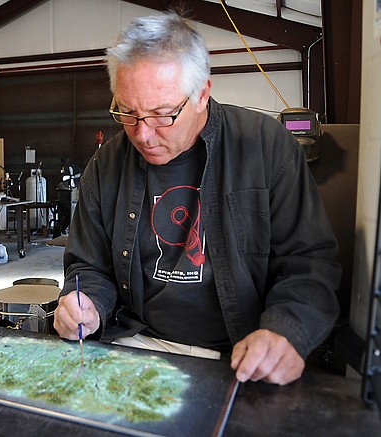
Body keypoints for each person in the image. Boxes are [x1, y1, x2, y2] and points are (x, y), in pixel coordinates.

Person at [53, 11, 341, 386]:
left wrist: (286, 331)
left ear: (202, 93)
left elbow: (309, 264)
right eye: (127, 112)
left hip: (240, 358)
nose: (142, 134)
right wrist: (87, 303)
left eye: (161, 114)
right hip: (135, 344)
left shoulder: (266, 147)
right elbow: (88, 266)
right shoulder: (106, 165)